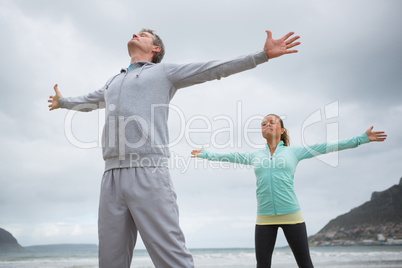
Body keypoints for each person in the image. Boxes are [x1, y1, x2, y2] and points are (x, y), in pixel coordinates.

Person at [47, 29, 301, 268]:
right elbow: (89, 100)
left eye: (144, 34)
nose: (136, 34)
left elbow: (213, 69)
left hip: (148, 171)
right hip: (111, 175)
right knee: (110, 259)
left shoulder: (163, 73)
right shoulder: (113, 81)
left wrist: (262, 55)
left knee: (170, 256)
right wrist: (63, 101)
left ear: (155, 48)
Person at [191, 114, 387, 268]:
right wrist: (206, 153)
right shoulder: (255, 156)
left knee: (305, 264)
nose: (266, 124)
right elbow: (231, 156)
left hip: (292, 216)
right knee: (262, 265)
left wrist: (361, 139)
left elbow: (327, 147)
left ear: (282, 129)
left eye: (271, 122)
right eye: (263, 123)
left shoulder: (294, 152)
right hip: (265, 218)